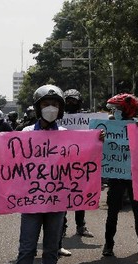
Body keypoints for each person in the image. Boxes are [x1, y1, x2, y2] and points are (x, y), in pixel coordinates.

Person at [9, 84, 103, 264]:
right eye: (45, 104)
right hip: (32, 203)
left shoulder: (66, 136)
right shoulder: (26, 134)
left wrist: (97, 139)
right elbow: (12, 161)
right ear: (37, 108)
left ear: (60, 109)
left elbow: (82, 156)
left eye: (54, 105)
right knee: (27, 249)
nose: (50, 108)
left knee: (51, 250)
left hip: (56, 204)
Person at [101, 93, 138, 258]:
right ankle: (108, 244)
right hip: (117, 177)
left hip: (134, 177)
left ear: (127, 110)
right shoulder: (108, 127)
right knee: (112, 212)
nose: (114, 112)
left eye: (117, 109)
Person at [62, 89, 94, 239]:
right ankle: (61, 227)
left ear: (79, 102)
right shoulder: (57, 118)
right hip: (61, 164)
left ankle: (80, 225)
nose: (70, 104)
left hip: (81, 163)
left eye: (73, 101)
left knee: (79, 195)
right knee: (61, 195)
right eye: (68, 101)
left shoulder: (87, 119)